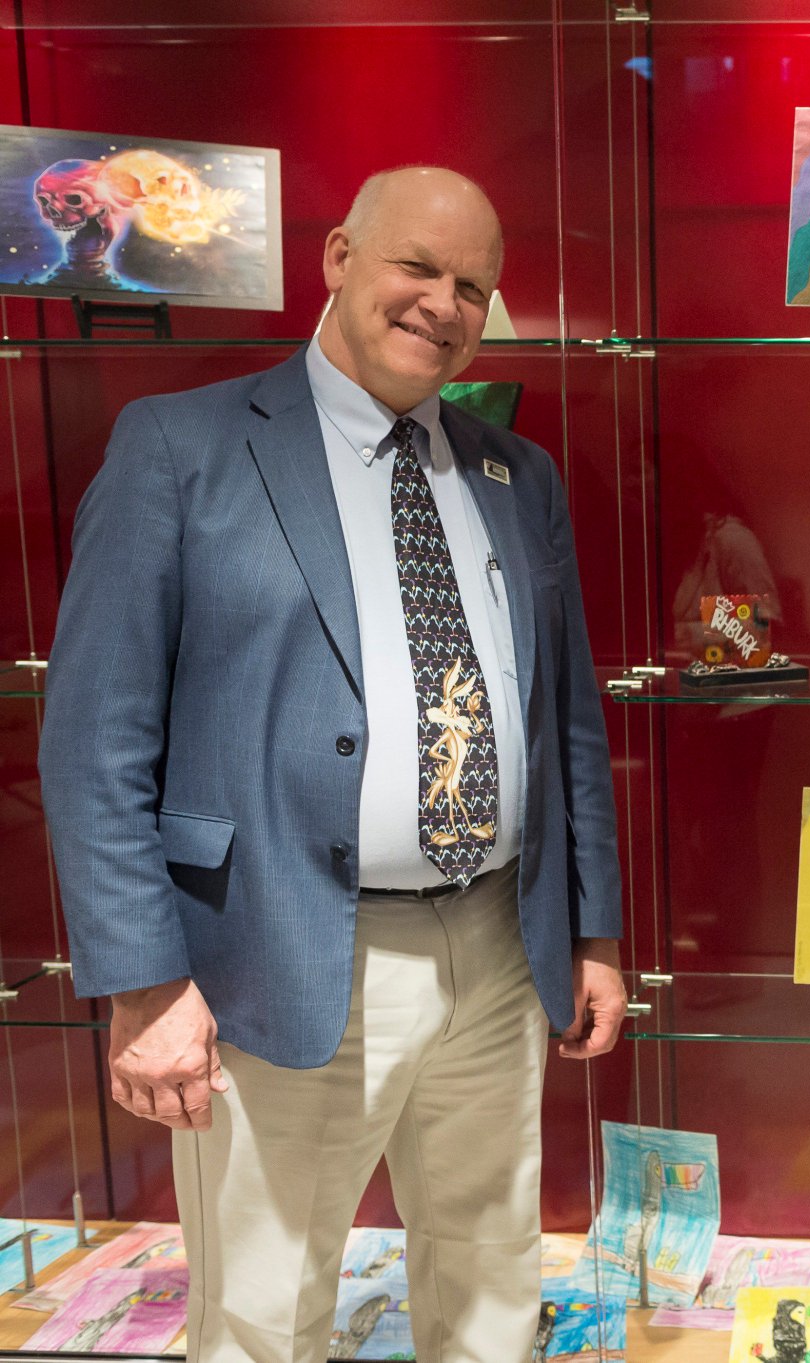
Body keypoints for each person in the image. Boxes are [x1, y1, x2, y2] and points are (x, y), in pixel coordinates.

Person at [40, 166, 626, 1363]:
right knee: (263, 1313)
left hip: (498, 950)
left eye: (473, 286)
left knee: (491, 1279)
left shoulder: (517, 474)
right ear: (340, 259)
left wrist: (594, 927)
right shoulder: (180, 446)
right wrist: (143, 982)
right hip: (274, 954)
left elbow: (565, 715)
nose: (444, 305)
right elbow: (95, 737)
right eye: (418, 267)